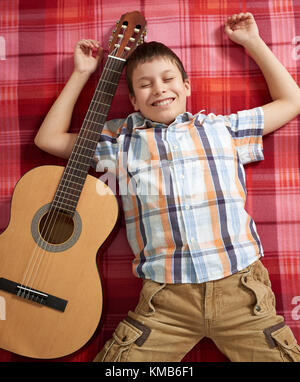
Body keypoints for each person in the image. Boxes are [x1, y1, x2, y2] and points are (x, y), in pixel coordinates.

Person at [35, 13, 300, 362]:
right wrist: (82, 73)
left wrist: (253, 42)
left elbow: (291, 102)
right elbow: (48, 138)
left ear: (187, 86)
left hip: (241, 294)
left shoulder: (221, 129)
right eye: (145, 85)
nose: (159, 88)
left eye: (168, 78)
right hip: (165, 303)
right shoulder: (119, 142)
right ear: (132, 100)